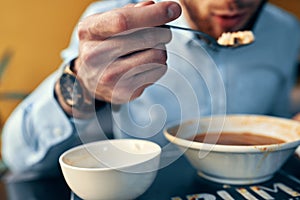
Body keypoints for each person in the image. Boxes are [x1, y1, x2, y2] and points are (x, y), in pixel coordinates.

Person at [2, 0, 300, 176]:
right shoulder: (115, 24)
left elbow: (278, 122)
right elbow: (18, 156)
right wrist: (83, 85)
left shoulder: (285, 30)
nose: (232, 2)